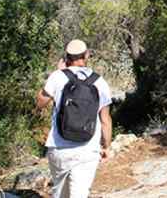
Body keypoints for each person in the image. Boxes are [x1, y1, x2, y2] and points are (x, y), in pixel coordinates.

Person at [36, 40, 112, 198]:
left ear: (66, 57)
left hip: (59, 147)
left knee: (60, 194)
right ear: (87, 55)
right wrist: (106, 146)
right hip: (87, 148)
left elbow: (40, 103)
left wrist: (57, 73)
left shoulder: (57, 77)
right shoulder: (99, 82)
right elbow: (105, 119)